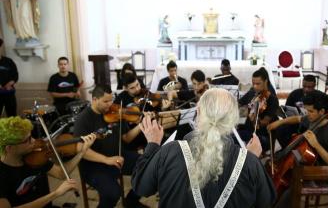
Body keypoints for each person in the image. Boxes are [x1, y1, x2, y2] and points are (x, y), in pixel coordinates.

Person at [132, 88, 276, 207]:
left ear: (198, 113)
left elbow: (141, 187)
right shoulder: (250, 163)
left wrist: (152, 145)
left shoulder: (169, 151)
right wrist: (250, 160)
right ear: (234, 120)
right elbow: (266, 201)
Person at [73, 85, 146, 208]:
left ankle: (131, 200)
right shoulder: (83, 119)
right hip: (94, 165)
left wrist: (141, 125)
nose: (110, 104)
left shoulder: (116, 112)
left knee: (148, 167)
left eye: (111, 100)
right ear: (95, 100)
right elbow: (81, 149)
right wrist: (106, 160)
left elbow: (126, 138)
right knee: (112, 193)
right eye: (105, 101)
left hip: (118, 157)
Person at [0, 116, 96, 208]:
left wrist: (82, 152)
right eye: (27, 140)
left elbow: (61, 173)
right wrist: (56, 193)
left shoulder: (34, 156)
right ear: (10, 148)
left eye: (31, 136)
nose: (34, 141)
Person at [268, 90, 328, 166]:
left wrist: (316, 145)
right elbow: (298, 119)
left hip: (320, 170)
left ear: (322, 111)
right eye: (306, 110)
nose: (307, 114)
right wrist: (279, 122)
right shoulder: (313, 118)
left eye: (311, 111)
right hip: (306, 161)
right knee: (293, 145)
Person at [238, 67, 279, 152]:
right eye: (253, 83)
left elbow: (264, 123)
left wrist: (254, 117)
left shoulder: (272, 99)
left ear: (265, 82)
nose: (255, 86)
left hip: (261, 136)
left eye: (258, 84)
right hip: (247, 131)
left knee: (235, 139)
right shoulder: (252, 92)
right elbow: (239, 104)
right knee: (229, 136)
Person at [0, 39, 18, 117]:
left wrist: (10, 83)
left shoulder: (8, 61)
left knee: (12, 116)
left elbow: (15, 75)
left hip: (8, 94)